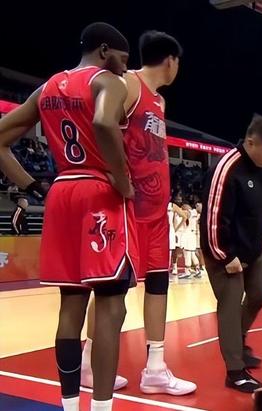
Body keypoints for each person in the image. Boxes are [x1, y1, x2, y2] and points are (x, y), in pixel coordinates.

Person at [0, 22, 135, 411]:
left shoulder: (47, 88)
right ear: (105, 51)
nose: (125, 68)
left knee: (70, 305)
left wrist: (32, 187)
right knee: (111, 305)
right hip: (98, 192)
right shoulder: (107, 81)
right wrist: (122, 179)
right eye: (123, 59)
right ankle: (103, 407)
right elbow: (104, 122)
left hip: (61, 193)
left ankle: (70, 405)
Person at [79, 31, 196, 396]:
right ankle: (88, 363)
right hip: (126, 211)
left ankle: (155, 369)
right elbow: (100, 128)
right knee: (111, 292)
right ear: (170, 61)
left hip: (156, 215)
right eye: (178, 62)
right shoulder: (128, 84)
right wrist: (119, 179)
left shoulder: (159, 101)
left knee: (159, 285)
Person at [201, 115, 262, 393]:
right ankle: (235, 371)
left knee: (259, 294)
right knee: (230, 304)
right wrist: (225, 256)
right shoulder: (227, 168)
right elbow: (212, 218)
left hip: (253, 248)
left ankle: (237, 342)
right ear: (250, 142)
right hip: (224, 251)